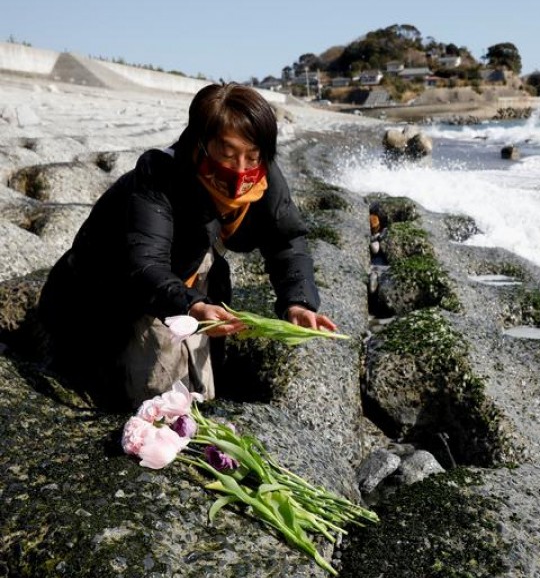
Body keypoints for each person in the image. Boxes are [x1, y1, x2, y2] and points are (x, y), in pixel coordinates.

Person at [38, 82, 336, 410]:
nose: (241, 170)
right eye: (227, 153)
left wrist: (298, 302)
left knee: (200, 396)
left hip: (187, 278)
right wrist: (192, 306)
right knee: (157, 402)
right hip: (114, 291)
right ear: (199, 144)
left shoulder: (261, 175)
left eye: (251, 156)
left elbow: (287, 239)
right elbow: (146, 267)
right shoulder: (158, 177)